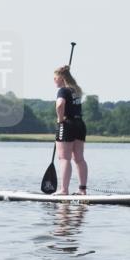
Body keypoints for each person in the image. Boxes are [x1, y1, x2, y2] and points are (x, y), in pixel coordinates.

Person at [53, 65, 87, 194]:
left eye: (55, 78)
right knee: (79, 158)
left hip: (67, 124)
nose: (54, 81)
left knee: (64, 158)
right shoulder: (76, 90)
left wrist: (60, 119)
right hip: (80, 124)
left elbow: (60, 104)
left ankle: (64, 190)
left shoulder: (63, 90)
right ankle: (82, 190)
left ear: (61, 78)